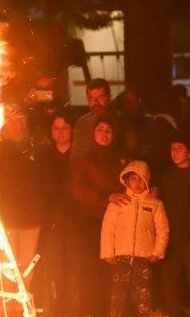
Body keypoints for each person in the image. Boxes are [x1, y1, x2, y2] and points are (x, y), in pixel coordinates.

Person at [70, 113, 129, 317]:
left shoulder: (122, 158)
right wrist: (106, 198)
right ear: (92, 132)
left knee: (113, 273)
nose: (104, 134)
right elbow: (78, 189)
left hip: (117, 224)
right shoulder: (83, 159)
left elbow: (132, 183)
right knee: (91, 271)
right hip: (91, 222)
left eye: (108, 130)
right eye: (100, 130)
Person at [0, 104, 44, 291]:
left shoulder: (36, 146)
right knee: (6, 268)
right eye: (11, 121)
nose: (15, 125)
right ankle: (8, 308)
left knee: (26, 269)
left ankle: (22, 308)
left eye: (20, 121)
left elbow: (44, 180)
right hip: (5, 217)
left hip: (30, 218)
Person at [100, 160, 169, 317]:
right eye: (133, 179)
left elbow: (162, 229)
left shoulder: (155, 204)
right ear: (126, 181)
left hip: (144, 255)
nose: (137, 183)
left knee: (143, 294)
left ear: (146, 181)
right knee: (118, 294)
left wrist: (158, 251)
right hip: (121, 256)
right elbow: (108, 229)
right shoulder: (118, 202)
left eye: (140, 179)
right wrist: (107, 252)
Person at [35, 109, 80, 316]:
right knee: (53, 273)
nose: (60, 132)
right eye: (56, 128)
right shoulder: (43, 156)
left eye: (64, 128)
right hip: (51, 224)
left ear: (72, 130)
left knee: (74, 273)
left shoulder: (79, 156)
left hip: (77, 223)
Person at [160, 131, 190, 317]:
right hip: (171, 237)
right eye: (173, 148)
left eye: (180, 148)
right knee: (169, 279)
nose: (175, 152)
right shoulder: (168, 177)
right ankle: (172, 311)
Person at [71, 78, 113, 160]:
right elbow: (75, 156)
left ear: (109, 97)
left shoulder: (119, 121)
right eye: (91, 98)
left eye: (100, 97)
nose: (96, 102)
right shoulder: (82, 123)